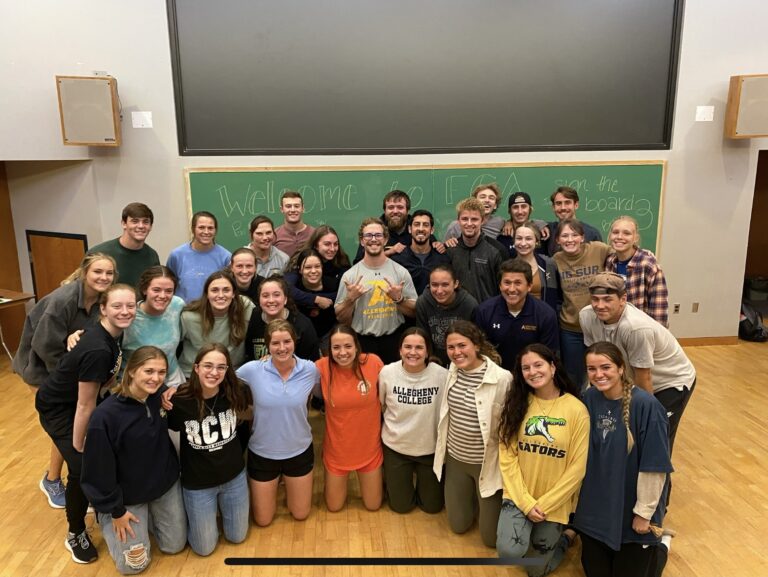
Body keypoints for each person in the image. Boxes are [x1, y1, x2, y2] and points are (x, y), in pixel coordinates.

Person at [34, 284, 136, 564]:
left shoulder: (111, 332)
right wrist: (80, 444)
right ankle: (76, 532)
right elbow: (84, 404)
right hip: (59, 408)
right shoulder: (97, 350)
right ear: (102, 309)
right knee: (82, 468)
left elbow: (103, 385)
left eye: (130, 305)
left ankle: (98, 497)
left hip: (80, 402)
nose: (125, 311)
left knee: (103, 452)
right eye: (117, 306)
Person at [13, 252, 116, 509]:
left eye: (109, 273)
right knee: (67, 425)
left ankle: (56, 477)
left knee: (73, 423)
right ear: (84, 272)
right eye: (97, 272)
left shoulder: (102, 300)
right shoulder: (63, 300)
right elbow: (44, 346)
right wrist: (69, 379)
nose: (103, 277)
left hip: (69, 365)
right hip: (41, 367)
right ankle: (54, 479)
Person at [81, 347, 186, 573]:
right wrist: (116, 511)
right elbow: (97, 471)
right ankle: (108, 518)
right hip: (127, 498)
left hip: (163, 485)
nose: (155, 378)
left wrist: (173, 395)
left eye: (161, 372)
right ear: (131, 372)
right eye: (148, 371)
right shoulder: (105, 416)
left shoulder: (160, 395)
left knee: (175, 546)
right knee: (134, 566)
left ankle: (148, 517)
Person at [574, 342, 672, 577]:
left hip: (633, 509)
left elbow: (655, 464)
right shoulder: (589, 398)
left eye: (606, 367)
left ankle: (661, 544)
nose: (599, 375)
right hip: (597, 507)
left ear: (621, 368)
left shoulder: (647, 407)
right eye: (591, 369)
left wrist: (644, 513)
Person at [496, 344, 589, 576]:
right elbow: (507, 459)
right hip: (519, 496)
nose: (532, 372)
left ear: (553, 367)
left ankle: (566, 538)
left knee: (535, 572)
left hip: (554, 503)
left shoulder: (577, 410)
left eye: (538, 365)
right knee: (509, 552)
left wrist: (545, 504)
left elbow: (578, 467)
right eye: (526, 368)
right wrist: (526, 503)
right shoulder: (517, 404)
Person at [579, 272, 696, 456]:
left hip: (670, 382)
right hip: (631, 376)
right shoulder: (586, 316)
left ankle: (661, 483)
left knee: (654, 438)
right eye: (595, 299)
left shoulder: (636, 328)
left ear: (623, 299)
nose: (599, 306)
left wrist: (644, 419)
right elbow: (595, 359)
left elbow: (644, 378)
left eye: (607, 299)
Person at [165, 343, 251, 555]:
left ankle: (219, 517)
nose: (214, 372)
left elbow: (248, 416)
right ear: (196, 368)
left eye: (221, 367)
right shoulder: (179, 400)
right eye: (208, 366)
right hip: (198, 484)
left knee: (237, 537)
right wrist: (164, 392)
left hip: (234, 478)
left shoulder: (236, 392)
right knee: (204, 549)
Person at [433, 320, 513, 548]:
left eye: (462, 345)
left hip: (485, 464)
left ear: (477, 345)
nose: (456, 353)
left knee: (490, 540)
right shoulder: (451, 371)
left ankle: (486, 503)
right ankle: (472, 501)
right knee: (457, 526)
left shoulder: (503, 378)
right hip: (457, 460)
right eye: (451, 348)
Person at [237, 320, 319, 525]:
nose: (282, 348)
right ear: (267, 345)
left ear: (295, 342)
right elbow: (221, 380)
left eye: (287, 342)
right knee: (263, 521)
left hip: (299, 450)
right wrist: (243, 412)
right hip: (262, 452)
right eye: (275, 343)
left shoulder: (310, 369)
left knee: (300, 514)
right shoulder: (252, 370)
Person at [315, 324, 384, 512]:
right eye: (336, 347)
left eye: (348, 346)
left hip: (369, 449)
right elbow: (291, 368)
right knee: (334, 507)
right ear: (329, 349)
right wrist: (268, 361)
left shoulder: (373, 363)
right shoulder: (320, 368)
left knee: (373, 506)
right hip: (337, 451)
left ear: (356, 346)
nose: (342, 352)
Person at [378, 327, 447, 514]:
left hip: (430, 450)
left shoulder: (442, 375)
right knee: (401, 507)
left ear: (427, 351)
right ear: (400, 350)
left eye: (419, 347)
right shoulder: (387, 373)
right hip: (396, 447)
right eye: (407, 347)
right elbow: (382, 406)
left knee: (432, 507)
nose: (413, 352)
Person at [335, 218, 417, 363]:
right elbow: (341, 319)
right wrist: (350, 299)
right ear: (361, 241)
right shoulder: (350, 276)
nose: (373, 239)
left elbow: (414, 312)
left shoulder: (400, 272)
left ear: (385, 240)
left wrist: (399, 299)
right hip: (362, 342)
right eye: (368, 235)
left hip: (393, 341)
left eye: (378, 235)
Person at [552, 219, 611, 385]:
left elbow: (624, 254)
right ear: (558, 240)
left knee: (601, 373)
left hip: (599, 326)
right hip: (571, 328)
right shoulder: (556, 260)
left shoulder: (598, 249)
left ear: (582, 237)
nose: (570, 239)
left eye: (574, 235)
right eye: (564, 236)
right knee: (573, 376)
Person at [474, 259, 559, 372]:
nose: (512, 289)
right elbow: (480, 351)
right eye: (507, 283)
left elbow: (549, 356)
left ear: (529, 286)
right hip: (495, 374)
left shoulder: (546, 315)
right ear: (500, 285)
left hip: (531, 375)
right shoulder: (484, 311)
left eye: (518, 283)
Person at [178, 270, 255, 377]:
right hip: (193, 375)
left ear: (233, 294)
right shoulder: (189, 316)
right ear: (207, 294)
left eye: (226, 290)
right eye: (214, 290)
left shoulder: (245, 307)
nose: (220, 295)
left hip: (232, 375)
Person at [121, 266, 186, 386]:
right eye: (156, 290)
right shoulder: (128, 316)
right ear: (145, 290)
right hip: (136, 385)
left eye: (169, 291)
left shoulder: (177, 305)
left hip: (172, 382)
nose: (162, 296)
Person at [605, 216, 670, 327]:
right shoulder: (610, 262)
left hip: (640, 329)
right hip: (615, 328)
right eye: (615, 232)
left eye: (627, 233)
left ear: (636, 238)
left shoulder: (649, 265)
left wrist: (656, 337)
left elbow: (659, 308)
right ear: (610, 236)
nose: (619, 237)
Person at [244, 275, 320, 362]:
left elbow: (312, 364)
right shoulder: (251, 318)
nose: (271, 300)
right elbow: (248, 355)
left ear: (285, 299)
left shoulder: (302, 325)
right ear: (259, 300)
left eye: (276, 295)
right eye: (265, 296)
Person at [415, 264, 479, 366]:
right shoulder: (422, 302)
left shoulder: (469, 304)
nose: (439, 291)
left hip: (462, 358)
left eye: (445, 285)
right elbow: (423, 337)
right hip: (433, 360)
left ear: (455, 284)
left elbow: (475, 340)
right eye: (434, 285)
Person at [446, 197, 506, 303]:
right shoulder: (450, 251)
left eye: (474, 219)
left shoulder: (497, 250)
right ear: (458, 221)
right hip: (459, 316)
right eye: (464, 219)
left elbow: (504, 287)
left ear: (482, 221)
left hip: (487, 315)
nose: (469, 224)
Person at [89, 202, 160, 288]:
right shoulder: (99, 253)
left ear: (150, 226)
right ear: (124, 224)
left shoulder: (152, 256)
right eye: (135, 221)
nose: (141, 226)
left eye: (145, 222)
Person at [167, 211, 232, 302]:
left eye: (210, 228)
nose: (206, 232)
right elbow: (168, 285)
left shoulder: (226, 257)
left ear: (215, 231)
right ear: (193, 229)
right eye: (201, 227)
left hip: (213, 312)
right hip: (183, 312)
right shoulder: (177, 255)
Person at [391, 209, 450, 294]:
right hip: (405, 306)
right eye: (417, 224)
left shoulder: (443, 259)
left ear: (432, 230)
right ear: (410, 229)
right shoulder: (397, 260)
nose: (421, 229)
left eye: (425, 225)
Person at [287, 248, 339, 341]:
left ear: (322, 268)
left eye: (317, 266)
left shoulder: (333, 285)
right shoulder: (294, 284)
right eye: (308, 267)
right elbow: (285, 289)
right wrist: (316, 300)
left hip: (328, 335)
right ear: (300, 270)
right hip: (299, 336)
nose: (313, 271)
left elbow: (341, 296)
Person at [509, 220, 560, 309]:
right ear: (514, 241)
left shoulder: (548, 265)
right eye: (519, 238)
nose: (523, 243)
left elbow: (557, 296)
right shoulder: (507, 268)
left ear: (536, 241)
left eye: (528, 238)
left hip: (543, 318)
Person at [353, 189, 413, 262]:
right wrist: (390, 252)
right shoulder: (373, 229)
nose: (395, 211)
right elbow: (359, 263)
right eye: (391, 207)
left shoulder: (417, 228)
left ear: (407, 210)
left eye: (400, 207)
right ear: (385, 210)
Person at [544, 187, 603, 256]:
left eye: (567, 202)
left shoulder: (592, 233)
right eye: (558, 203)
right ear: (553, 207)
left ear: (576, 205)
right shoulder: (547, 231)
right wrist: (540, 225)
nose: (563, 207)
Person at [273, 190, 315, 257]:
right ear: (282, 209)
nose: (293, 210)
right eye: (288, 206)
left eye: (297, 206)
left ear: (303, 208)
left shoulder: (315, 234)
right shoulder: (274, 235)